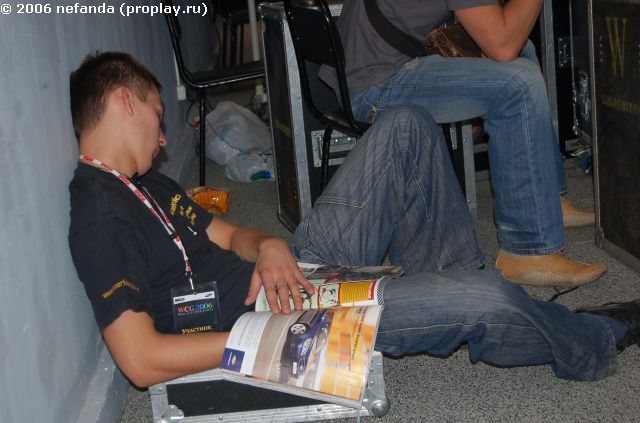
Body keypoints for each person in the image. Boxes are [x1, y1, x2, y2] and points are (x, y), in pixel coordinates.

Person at [68, 52, 639, 389]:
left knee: (407, 123)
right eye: (158, 116)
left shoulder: (149, 184)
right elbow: (140, 361)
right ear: (125, 102)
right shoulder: (100, 213)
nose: (162, 137)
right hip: (278, 320)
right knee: (487, 297)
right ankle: (592, 339)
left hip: (294, 272)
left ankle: (451, 292)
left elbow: (232, 234)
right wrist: (264, 338)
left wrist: (267, 246)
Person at [318, 0, 605, 287]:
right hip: (375, 83)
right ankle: (527, 251)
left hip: (369, 62)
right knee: (518, 83)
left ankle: (544, 201)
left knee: (523, 48)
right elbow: (502, 45)